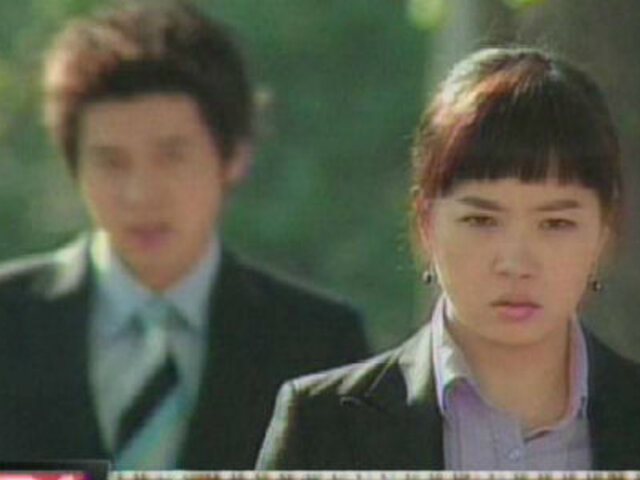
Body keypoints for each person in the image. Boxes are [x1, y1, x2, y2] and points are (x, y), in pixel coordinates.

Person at [0, 0, 369, 470]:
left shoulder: (319, 345)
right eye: (111, 162)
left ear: (234, 157)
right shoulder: (9, 321)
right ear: (74, 166)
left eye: (172, 156)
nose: (140, 194)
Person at [256, 47, 640, 470]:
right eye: (481, 220)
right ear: (426, 223)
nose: (515, 263)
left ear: (603, 231)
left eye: (555, 224)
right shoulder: (323, 426)